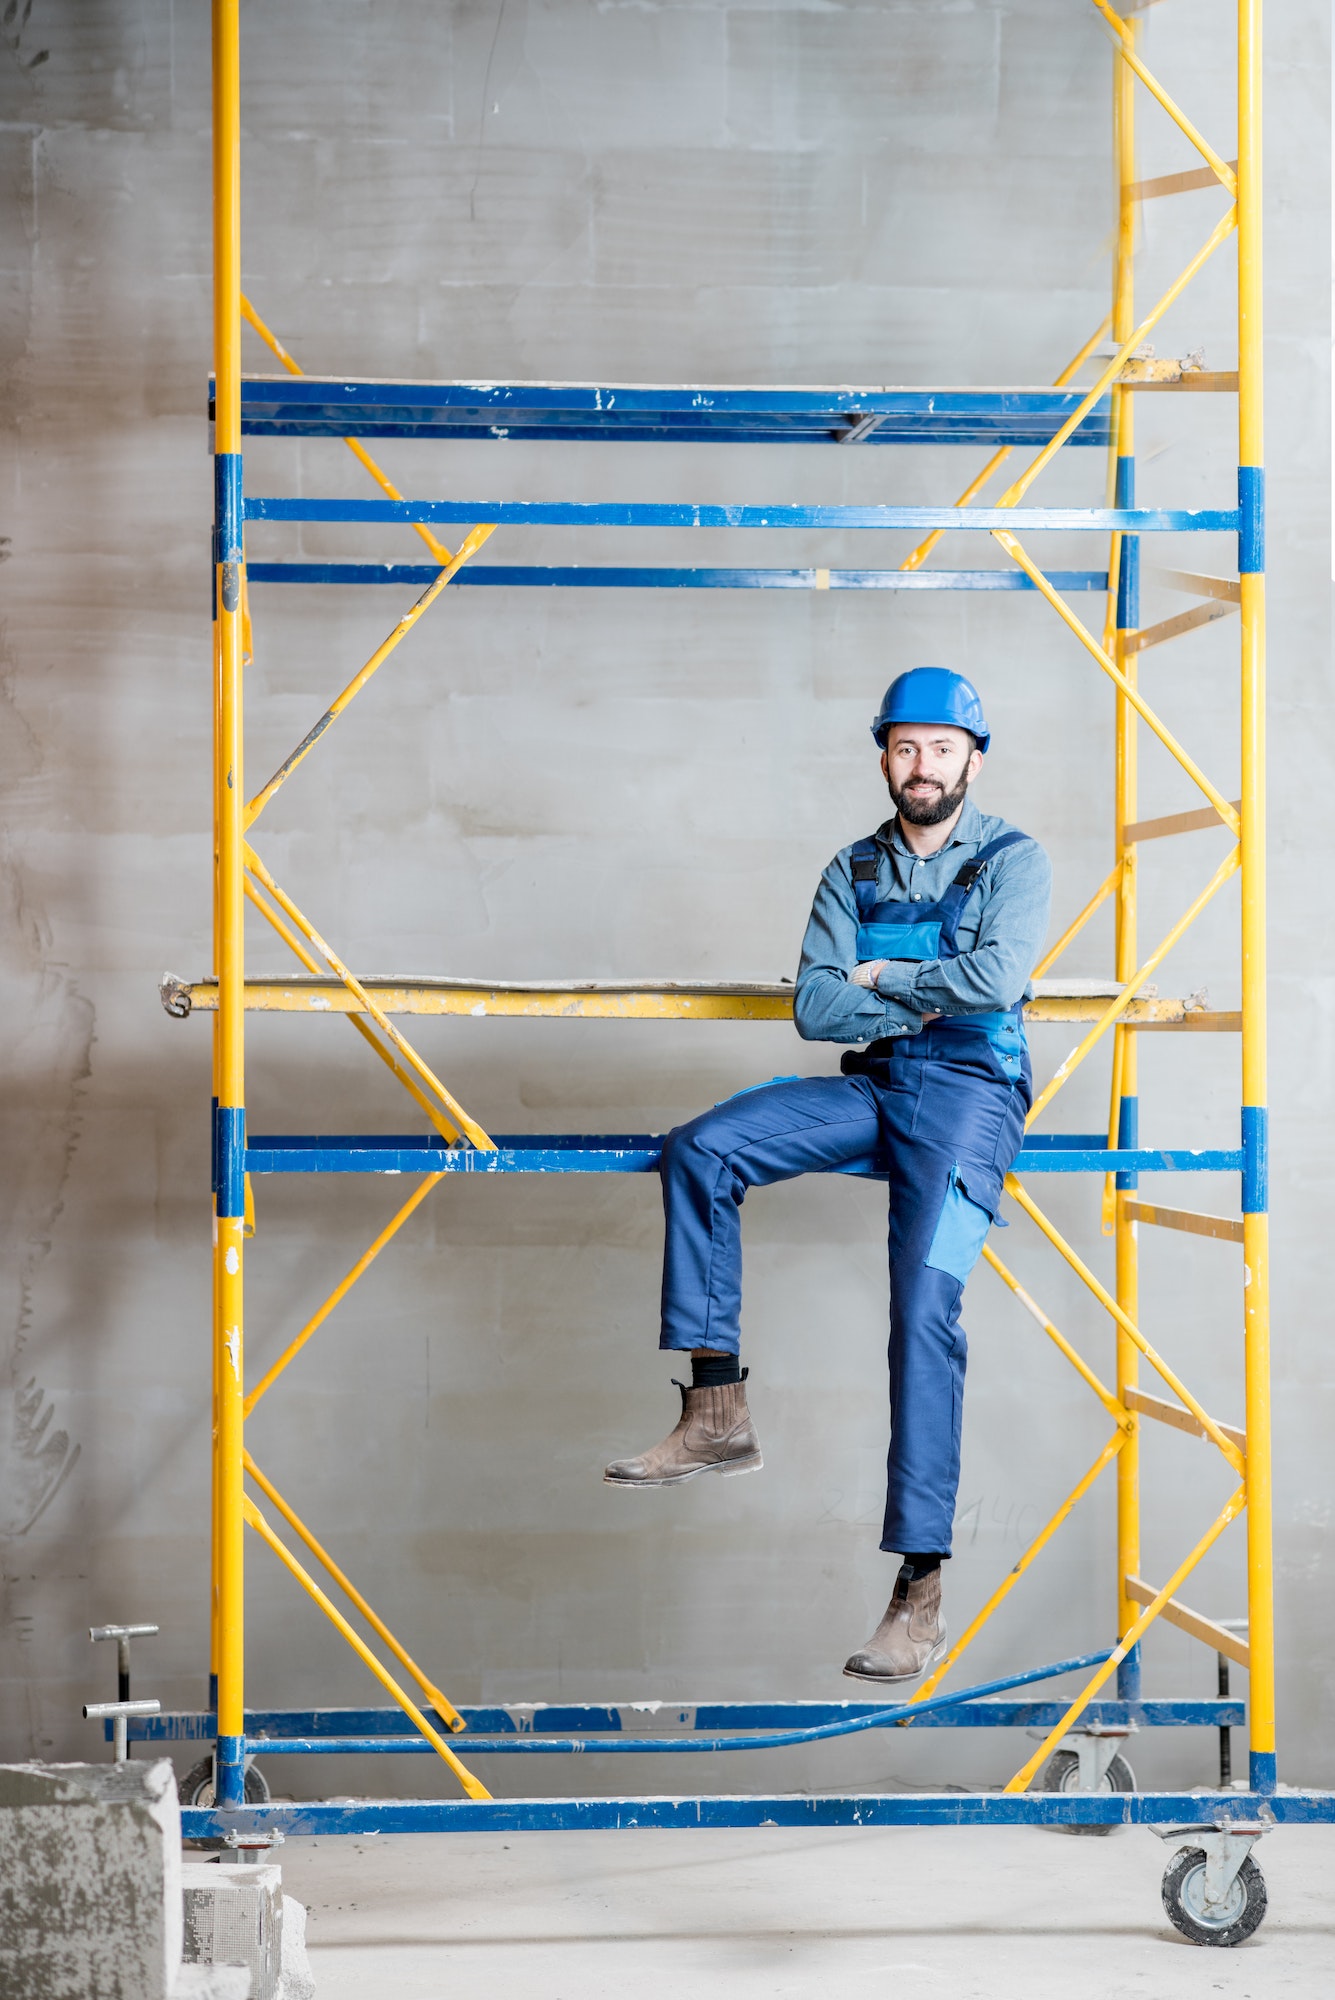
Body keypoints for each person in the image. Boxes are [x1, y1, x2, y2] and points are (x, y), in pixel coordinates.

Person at [603, 668, 1052, 1683]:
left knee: (925, 1305)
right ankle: (716, 1412)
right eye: (904, 746)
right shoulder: (851, 867)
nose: (922, 765)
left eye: (942, 746)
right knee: (703, 1147)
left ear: (974, 756)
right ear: (884, 755)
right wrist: (914, 1004)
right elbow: (814, 1005)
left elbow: (994, 985)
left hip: (975, 1103)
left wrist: (884, 978)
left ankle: (920, 1582)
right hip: (882, 1085)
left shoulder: (1014, 861)